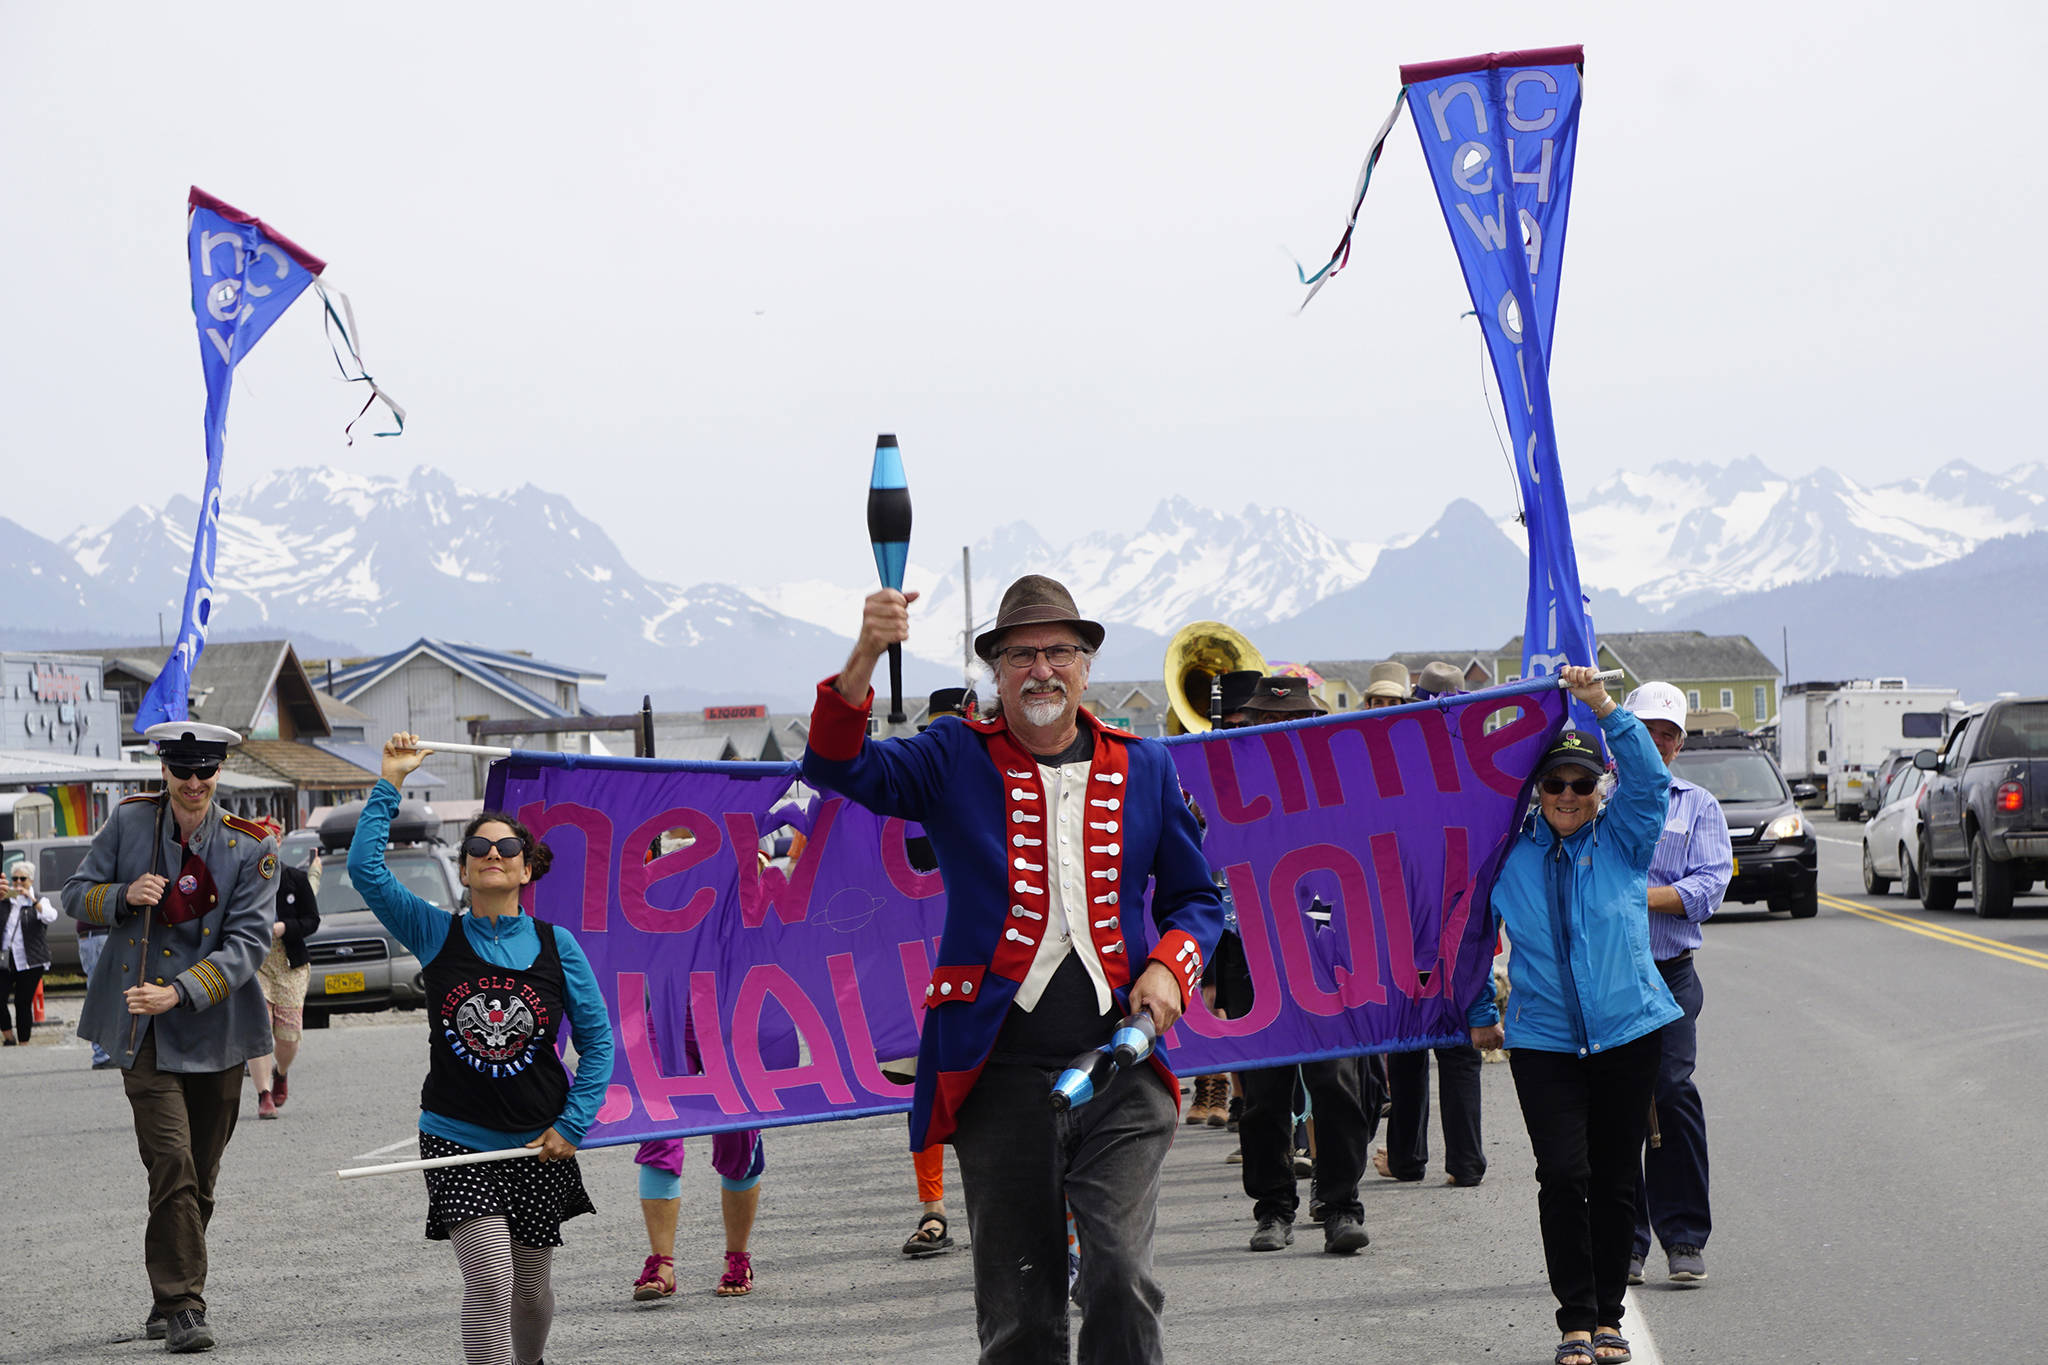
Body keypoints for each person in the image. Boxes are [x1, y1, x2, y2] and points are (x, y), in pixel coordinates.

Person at [801, 573, 1223, 1365]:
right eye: (1022, 653)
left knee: (1120, 1276)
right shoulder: (953, 756)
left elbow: (1198, 899)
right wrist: (866, 651)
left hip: (1120, 1070)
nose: (1042, 669)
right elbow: (836, 764)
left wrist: (1170, 968)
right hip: (995, 1075)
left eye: (1060, 650)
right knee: (1020, 1310)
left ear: (1086, 665)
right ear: (996, 670)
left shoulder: (1147, 767)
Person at [354, 734, 615, 1365]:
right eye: (478, 847)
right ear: (465, 868)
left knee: (528, 1292)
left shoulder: (559, 947)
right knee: (491, 1280)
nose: (491, 854)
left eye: (507, 847)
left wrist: (572, 1125)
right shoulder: (435, 932)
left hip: (538, 1138)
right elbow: (366, 869)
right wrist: (389, 782)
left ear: (527, 867)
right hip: (455, 1137)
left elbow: (599, 1043)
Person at [1466, 667, 1683, 1365]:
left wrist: (1606, 709)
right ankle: (1574, 1320)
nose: (1566, 794)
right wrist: (1476, 1008)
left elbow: (1648, 782)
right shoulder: (1509, 854)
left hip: (1629, 1033)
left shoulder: (1623, 840)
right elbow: (1469, 937)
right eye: (1555, 782)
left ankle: (1610, 1317)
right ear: (1538, 789)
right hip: (1544, 1041)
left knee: (1618, 1175)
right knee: (1563, 1173)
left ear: (1598, 791)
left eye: (1581, 784)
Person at [63, 721, 277, 1354]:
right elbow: (76, 893)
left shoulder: (251, 845)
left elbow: (247, 944)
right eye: (181, 772)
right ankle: (185, 1304)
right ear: (163, 770)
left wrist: (180, 990)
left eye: (204, 772)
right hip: (140, 1025)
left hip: (217, 1027)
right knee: (172, 1161)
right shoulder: (129, 823)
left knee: (199, 1178)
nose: (192, 784)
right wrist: (123, 895)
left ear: (219, 774)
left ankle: (165, 1296)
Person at [1226, 675, 1375, 1256]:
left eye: (1288, 721)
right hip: (1253, 951)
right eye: (1264, 723)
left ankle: (1340, 1205)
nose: (1276, 732)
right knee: (1262, 1093)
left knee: (1335, 1083)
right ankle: (1272, 1209)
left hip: (1322, 949)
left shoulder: (1334, 789)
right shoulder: (1224, 787)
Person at [1623, 681, 1730, 1288]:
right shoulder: (1594, 793)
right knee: (1615, 1106)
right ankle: (1627, 1242)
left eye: (1667, 734)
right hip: (1608, 973)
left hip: (1669, 974)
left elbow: (1707, 889)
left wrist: (1637, 898)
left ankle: (1684, 1235)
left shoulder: (1697, 805)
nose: (1656, 742)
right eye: (1645, 730)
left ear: (1680, 744)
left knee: (1670, 1090)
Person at [1374, 661, 1487, 1190]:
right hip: (1457, 915)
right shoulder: (1475, 766)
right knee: (1454, 1049)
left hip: (1413, 914)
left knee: (1409, 1047)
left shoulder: (1397, 760)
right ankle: (1464, 1161)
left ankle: (1407, 1157)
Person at [246, 821, 319, 1120]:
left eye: (270, 840)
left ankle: (281, 1071)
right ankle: (264, 1094)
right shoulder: (243, 880)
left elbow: (312, 921)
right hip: (255, 963)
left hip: (289, 964)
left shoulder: (296, 879)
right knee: (259, 1026)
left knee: (287, 1037)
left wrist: (285, 927)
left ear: (279, 843)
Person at [3, 861, 58, 1045]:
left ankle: (24, 1042)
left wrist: (33, 901)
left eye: (23, 879)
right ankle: (8, 1035)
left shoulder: (40, 901)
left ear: (31, 880)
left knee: (22, 1002)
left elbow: (50, 916)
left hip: (31, 960)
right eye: (15, 878)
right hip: (6, 958)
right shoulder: (6, 901)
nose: (18, 882)